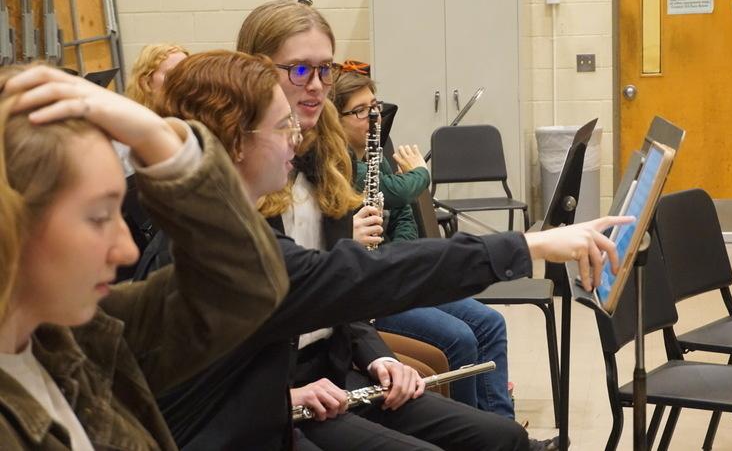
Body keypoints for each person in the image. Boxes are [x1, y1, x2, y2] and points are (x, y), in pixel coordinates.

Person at [150, 47, 631, 451]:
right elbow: (366, 275)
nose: (295, 144)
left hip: (266, 410)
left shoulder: (219, 221)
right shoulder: (221, 246)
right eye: (283, 128)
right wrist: (529, 244)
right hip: (242, 434)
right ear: (235, 142)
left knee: (499, 437)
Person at [0, 64, 288, 448]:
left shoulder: (70, 338)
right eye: (100, 216)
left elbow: (246, 286)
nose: (127, 250)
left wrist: (158, 137)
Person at [332, 63, 516, 418]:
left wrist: (398, 255)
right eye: (360, 111)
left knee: (491, 323)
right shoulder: (338, 168)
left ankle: (501, 428)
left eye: (375, 107)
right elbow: (401, 192)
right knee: (459, 338)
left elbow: (402, 213)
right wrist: (420, 173)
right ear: (333, 119)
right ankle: (471, 434)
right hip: (370, 295)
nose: (374, 117)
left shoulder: (376, 153)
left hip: (395, 274)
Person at [125, 43, 188, 110]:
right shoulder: (133, 118)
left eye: (187, 73)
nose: (183, 80)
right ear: (146, 82)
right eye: (171, 74)